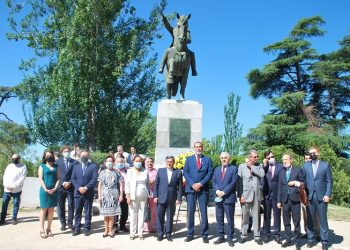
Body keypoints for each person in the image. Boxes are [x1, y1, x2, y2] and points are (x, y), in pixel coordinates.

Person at [183, 141, 213, 243]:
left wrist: (200, 184)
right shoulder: (188, 159)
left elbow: (209, 173)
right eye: (196, 147)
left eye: (200, 147)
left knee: (203, 212)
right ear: (194, 148)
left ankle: (204, 234)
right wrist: (192, 184)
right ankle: (190, 234)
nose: (198, 148)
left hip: (203, 189)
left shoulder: (208, 159)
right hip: (191, 190)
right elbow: (185, 172)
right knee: (191, 212)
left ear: (202, 148)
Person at [303, 146, 333, 250]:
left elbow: (329, 181)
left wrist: (327, 194)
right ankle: (311, 239)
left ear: (318, 153)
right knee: (310, 220)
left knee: (323, 220)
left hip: (322, 197)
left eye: (314, 153)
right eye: (310, 153)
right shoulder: (305, 166)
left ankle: (325, 241)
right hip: (309, 196)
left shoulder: (325, 165)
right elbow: (303, 180)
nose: (312, 155)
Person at [277, 154, 304, 250]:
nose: (284, 161)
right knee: (286, 221)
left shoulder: (298, 170)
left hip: (295, 199)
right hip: (285, 200)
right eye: (283, 160)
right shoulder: (281, 172)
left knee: (296, 221)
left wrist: (296, 183)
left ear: (291, 160)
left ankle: (297, 242)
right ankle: (288, 239)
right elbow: (279, 187)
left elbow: (303, 183)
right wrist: (279, 201)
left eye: (286, 159)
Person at [238, 150, 264, 245]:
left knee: (256, 216)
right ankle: (244, 235)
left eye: (257, 156)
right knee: (245, 216)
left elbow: (262, 174)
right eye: (255, 157)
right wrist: (240, 195)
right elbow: (239, 182)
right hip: (245, 195)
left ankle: (257, 236)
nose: (257, 158)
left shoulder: (259, 166)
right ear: (250, 157)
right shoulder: (241, 166)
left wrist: (251, 166)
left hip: (257, 195)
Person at [212, 152, 238, 247]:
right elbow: (214, 181)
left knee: (230, 219)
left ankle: (230, 238)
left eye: (225, 158)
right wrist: (217, 190)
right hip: (218, 197)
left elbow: (234, 182)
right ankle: (221, 236)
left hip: (228, 197)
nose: (223, 159)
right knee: (219, 218)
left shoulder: (234, 168)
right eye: (222, 158)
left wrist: (224, 192)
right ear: (220, 159)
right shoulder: (217, 169)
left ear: (229, 158)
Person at [154, 156, 183, 242]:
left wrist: (179, 198)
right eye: (168, 161)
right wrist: (155, 196)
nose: (169, 163)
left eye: (171, 161)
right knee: (160, 217)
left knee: (170, 217)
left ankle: (168, 234)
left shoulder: (178, 172)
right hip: (161, 198)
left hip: (172, 198)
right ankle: (160, 234)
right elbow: (156, 184)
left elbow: (180, 187)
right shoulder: (160, 171)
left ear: (173, 162)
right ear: (165, 162)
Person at [159, 12, 197, 77]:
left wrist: (186, 39)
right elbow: (167, 26)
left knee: (192, 54)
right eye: (181, 20)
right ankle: (161, 67)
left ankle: (193, 70)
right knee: (167, 50)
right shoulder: (174, 29)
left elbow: (190, 41)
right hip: (174, 47)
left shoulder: (187, 30)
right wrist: (164, 19)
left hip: (184, 48)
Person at [71, 150, 98, 236]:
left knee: (87, 211)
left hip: (88, 192)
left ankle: (87, 228)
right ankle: (77, 228)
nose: (84, 157)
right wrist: (79, 188)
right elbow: (73, 179)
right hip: (77, 193)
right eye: (82, 155)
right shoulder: (76, 167)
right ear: (80, 157)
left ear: (88, 156)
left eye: (85, 155)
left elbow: (94, 179)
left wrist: (86, 188)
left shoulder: (93, 166)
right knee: (78, 211)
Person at [125, 155, 150, 240]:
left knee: (142, 214)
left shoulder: (145, 171)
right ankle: (132, 233)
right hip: (133, 195)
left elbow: (147, 183)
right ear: (133, 162)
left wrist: (148, 194)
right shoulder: (130, 171)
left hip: (143, 195)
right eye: (137, 161)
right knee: (133, 214)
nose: (138, 162)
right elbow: (127, 184)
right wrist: (127, 195)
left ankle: (140, 233)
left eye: (140, 161)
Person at [98, 155, 123, 238]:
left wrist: (121, 195)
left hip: (114, 194)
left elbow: (121, 184)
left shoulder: (117, 172)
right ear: (105, 163)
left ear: (113, 162)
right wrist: (99, 196)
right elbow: (100, 185)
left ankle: (110, 230)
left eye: (111, 161)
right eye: (108, 161)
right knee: (106, 214)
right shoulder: (102, 172)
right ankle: (105, 230)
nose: (109, 162)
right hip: (105, 194)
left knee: (112, 214)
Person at [261, 150, 283, 244]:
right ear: (266, 159)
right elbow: (261, 177)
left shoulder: (280, 166)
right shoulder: (264, 167)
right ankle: (267, 234)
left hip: (276, 194)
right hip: (266, 194)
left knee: (277, 215)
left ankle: (277, 235)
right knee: (266, 216)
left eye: (272, 157)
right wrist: (265, 165)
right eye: (268, 158)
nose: (271, 159)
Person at [0, 154, 27, 225]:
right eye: (13, 158)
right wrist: (6, 185)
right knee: (4, 204)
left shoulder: (23, 167)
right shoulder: (9, 166)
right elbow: (5, 176)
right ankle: (2, 219)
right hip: (7, 189)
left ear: (19, 158)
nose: (15, 160)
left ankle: (14, 219)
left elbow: (22, 179)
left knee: (16, 204)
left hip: (17, 190)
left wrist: (14, 186)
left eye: (16, 158)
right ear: (12, 159)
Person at [38, 150, 60, 238]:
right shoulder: (42, 166)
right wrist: (46, 189)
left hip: (54, 191)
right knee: (43, 210)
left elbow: (59, 178)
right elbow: (40, 179)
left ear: (53, 156)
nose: (49, 156)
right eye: (47, 155)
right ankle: (42, 230)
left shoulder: (56, 166)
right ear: (44, 157)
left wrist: (55, 188)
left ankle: (49, 229)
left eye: (50, 155)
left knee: (51, 210)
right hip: (44, 191)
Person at [56, 146, 77, 231]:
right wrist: (63, 182)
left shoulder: (75, 162)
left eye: (68, 151)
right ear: (62, 153)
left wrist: (70, 182)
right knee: (60, 206)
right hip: (60, 187)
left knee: (71, 205)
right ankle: (63, 223)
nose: (67, 152)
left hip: (70, 187)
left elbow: (75, 174)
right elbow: (56, 175)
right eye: (65, 151)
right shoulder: (57, 162)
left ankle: (70, 223)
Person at [301, 153, 320, 240]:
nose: (308, 160)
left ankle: (317, 233)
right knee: (305, 215)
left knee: (316, 215)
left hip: (314, 195)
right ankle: (307, 232)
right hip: (305, 196)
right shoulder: (303, 168)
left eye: (309, 158)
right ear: (304, 160)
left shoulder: (315, 168)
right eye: (306, 158)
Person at [115, 155, 129, 232]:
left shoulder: (127, 171)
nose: (120, 163)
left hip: (125, 193)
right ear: (115, 163)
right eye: (118, 162)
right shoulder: (113, 171)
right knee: (116, 211)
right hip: (115, 193)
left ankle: (122, 225)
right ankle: (115, 226)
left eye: (121, 162)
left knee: (125, 211)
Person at [144, 157, 157, 233]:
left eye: (151, 161)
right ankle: (145, 227)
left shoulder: (156, 171)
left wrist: (153, 181)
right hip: (144, 193)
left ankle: (153, 226)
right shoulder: (143, 171)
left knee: (153, 210)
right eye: (148, 161)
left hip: (153, 193)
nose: (150, 163)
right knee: (144, 209)